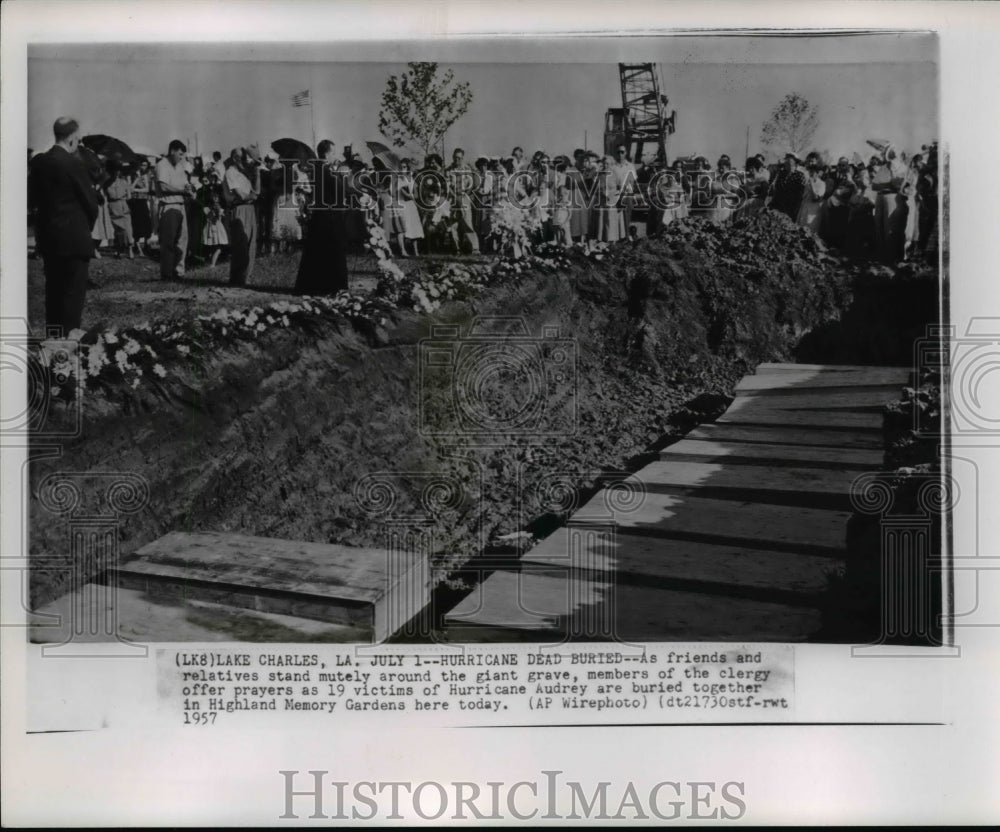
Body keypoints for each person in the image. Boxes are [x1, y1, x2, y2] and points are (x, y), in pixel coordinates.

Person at [28, 117, 99, 335]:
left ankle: (52, 349)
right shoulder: (74, 164)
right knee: (71, 301)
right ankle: (67, 355)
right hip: (74, 240)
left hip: (50, 240)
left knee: (54, 297)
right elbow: (91, 204)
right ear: (72, 139)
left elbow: (31, 202)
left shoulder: (39, 163)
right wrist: (84, 229)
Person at [295, 139, 349, 295]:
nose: (335, 155)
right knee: (332, 250)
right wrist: (341, 176)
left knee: (319, 251)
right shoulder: (323, 169)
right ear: (327, 153)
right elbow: (338, 190)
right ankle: (332, 286)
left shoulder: (320, 168)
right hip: (328, 216)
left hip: (324, 214)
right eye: (333, 152)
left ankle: (318, 285)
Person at [155, 139, 194, 280]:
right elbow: (164, 187)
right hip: (168, 206)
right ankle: (167, 274)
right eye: (180, 153)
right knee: (168, 243)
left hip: (181, 205)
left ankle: (179, 272)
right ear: (172, 151)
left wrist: (188, 189)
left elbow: (185, 185)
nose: (181, 157)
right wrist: (182, 191)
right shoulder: (162, 165)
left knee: (182, 242)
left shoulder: (179, 167)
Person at [223, 146, 260, 286]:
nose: (245, 161)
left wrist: (257, 173)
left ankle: (246, 278)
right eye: (242, 158)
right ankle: (237, 280)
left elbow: (257, 190)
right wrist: (252, 196)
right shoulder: (230, 173)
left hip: (249, 209)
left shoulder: (244, 174)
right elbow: (242, 195)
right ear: (234, 158)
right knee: (240, 246)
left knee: (251, 245)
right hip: (238, 209)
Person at [446, 148, 480, 254]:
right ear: (453, 157)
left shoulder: (467, 169)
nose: (457, 160)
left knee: (467, 222)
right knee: (453, 224)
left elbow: (471, 185)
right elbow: (448, 187)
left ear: (462, 158)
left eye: (459, 158)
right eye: (455, 157)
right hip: (453, 198)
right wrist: (455, 197)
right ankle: (456, 248)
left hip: (465, 197)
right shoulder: (449, 170)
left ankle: (475, 248)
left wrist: (466, 194)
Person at [104, 160, 135, 259]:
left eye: (118, 170)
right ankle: (118, 250)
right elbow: (106, 196)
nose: (116, 172)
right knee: (117, 230)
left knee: (127, 229)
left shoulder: (124, 181)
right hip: (113, 206)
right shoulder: (107, 183)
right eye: (114, 170)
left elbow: (129, 196)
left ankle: (130, 249)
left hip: (123, 205)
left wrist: (125, 194)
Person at [796, 152, 828, 233]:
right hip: (803, 210)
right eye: (810, 172)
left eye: (813, 172)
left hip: (812, 213)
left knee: (809, 234)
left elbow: (816, 198)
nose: (811, 174)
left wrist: (812, 184)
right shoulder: (806, 182)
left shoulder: (822, 184)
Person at [127, 159, 153, 255]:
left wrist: (135, 189)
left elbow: (146, 189)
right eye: (140, 165)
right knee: (136, 223)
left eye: (143, 165)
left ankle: (146, 245)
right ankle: (136, 245)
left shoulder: (145, 176)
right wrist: (136, 181)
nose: (141, 167)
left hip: (142, 201)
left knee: (146, 223)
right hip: (133, 202)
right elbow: (129, 189)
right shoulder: (131, 175)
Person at [202, 188, 229, 267]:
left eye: (217, 197)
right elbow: (211, 217)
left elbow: (221, 217)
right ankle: (210, 262)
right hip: (211, 228)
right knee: (211, 247)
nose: (216, 199)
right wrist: (214, 210)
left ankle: (212, 263)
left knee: (218, 247)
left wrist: (218, 211)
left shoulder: (220, 209)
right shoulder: (206, 209)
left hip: (218, 228)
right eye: (214, 197)